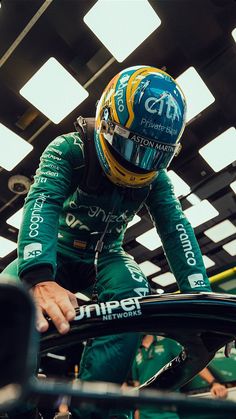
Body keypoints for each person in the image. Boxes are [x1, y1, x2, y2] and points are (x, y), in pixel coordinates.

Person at [1, 65, 212, 418]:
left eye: (152, 155)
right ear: (106, 120)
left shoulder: (156, 180)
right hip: (57, 249)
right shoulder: (68, 148)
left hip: (107, 257)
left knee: (133, 287)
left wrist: (201, 298)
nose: (139, 165)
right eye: (131, 147)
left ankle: (93, 410)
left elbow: (176, 228)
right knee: (7, 293)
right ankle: (17, 408)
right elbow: (42, 203)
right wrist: (37, 276)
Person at [132, 334, 182, 419]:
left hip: (168, 412)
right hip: (145, 413)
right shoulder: (135, 352)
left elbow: (193, 360)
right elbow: (137, 384)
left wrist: (212, 382)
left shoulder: (168, 342)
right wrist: (137, 410)